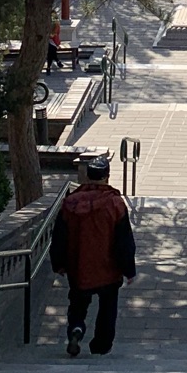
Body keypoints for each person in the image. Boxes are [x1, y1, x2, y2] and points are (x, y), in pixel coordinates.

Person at [49, 153, 137, 356]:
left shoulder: (70, 203)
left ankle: (76, 328)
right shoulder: (115, 204)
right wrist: (128, 269)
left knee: (78, 303)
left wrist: (59, 263)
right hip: (108, 267)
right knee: (108, 307)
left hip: (78, 265)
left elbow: (59, 236)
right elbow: (123, 240)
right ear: (107, 176)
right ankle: (101, 345)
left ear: (88, 176)